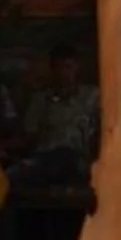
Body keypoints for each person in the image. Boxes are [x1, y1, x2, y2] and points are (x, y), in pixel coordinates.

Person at [15, 44, 101, 185]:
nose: (63, 73)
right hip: (45, 158)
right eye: (58, 68)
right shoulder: (40, 100)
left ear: (77, 67)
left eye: (68, 67)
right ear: (52, 70)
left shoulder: (92, 97)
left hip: (79, 157)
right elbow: (29, 136)